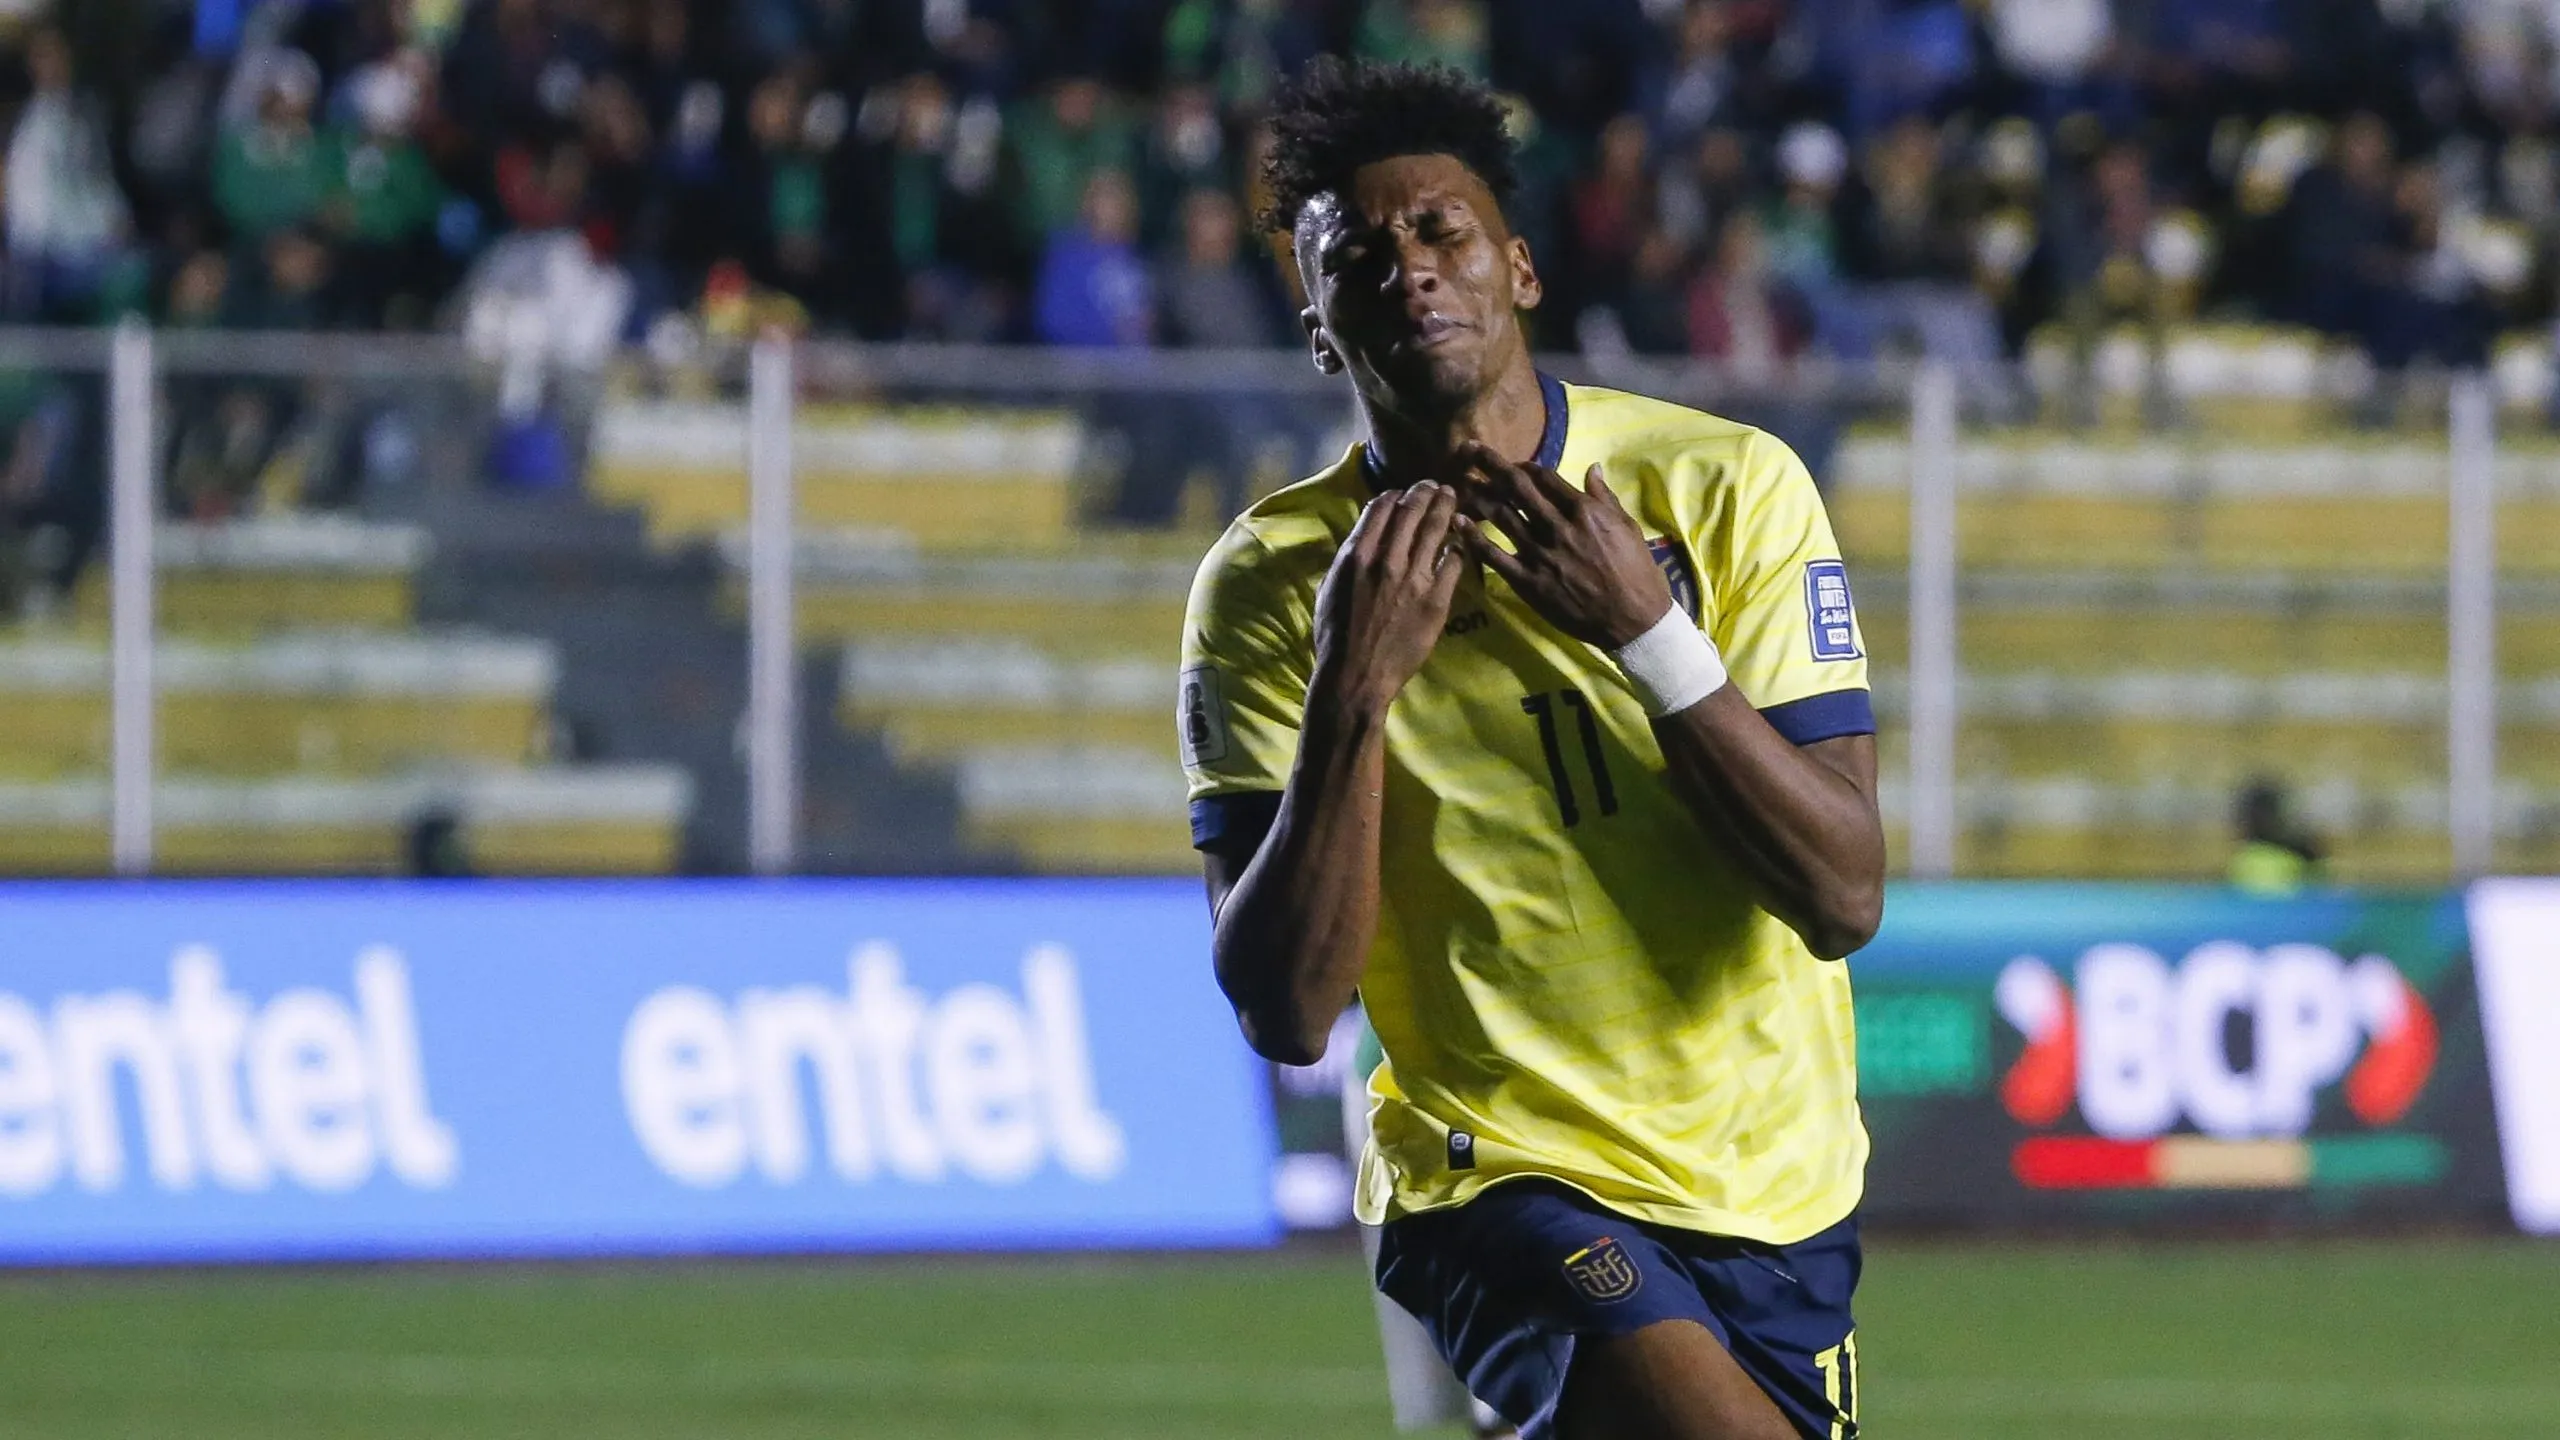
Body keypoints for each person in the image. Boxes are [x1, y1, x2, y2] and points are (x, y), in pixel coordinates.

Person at [1181, 58, 1882, 1440]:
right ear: (1319, 325)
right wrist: (1352, 691)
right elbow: (1289, 1010)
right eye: (1356, 256)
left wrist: (1649, 632)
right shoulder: (1272, 585)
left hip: (1774, 1184)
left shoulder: (1725, 490)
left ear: (1519, 267)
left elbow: (1842, 894)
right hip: (1491, 1174)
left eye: (1440, 231)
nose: (1409, 271)